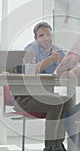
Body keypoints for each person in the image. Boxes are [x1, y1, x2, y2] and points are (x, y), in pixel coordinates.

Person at [13, 22, 73, 151]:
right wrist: (49, 61)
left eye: (48, 35)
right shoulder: (30, 49)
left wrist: (68, 67)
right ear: (35, 39)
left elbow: (64, 70)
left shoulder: (58, 51)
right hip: (25, 98)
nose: (46, 38)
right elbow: (29, 71)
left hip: (46, 94)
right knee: (56, 102)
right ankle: (50, 146)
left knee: (68, 100)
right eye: (41, 35)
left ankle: (58, 145)